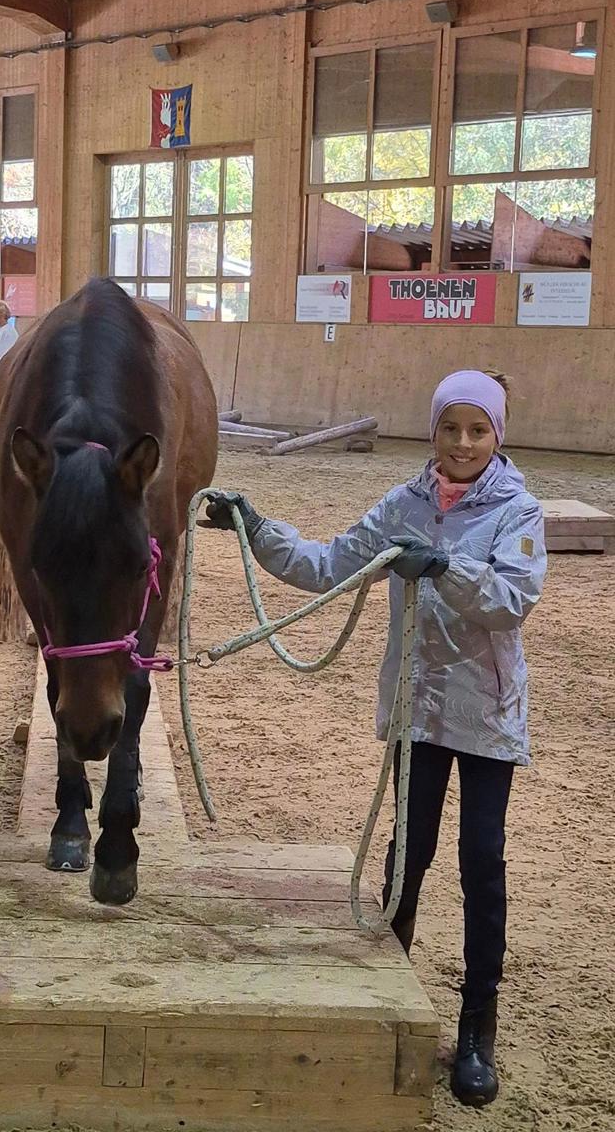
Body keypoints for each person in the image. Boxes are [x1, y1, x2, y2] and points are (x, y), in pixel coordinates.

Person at [205, 370, 546, 1108]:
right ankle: (389, 991)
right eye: (450, 428)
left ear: (497, 435)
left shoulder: (518, 511)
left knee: (481, 858)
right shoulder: (403, 505)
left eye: (477, 430)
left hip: (485, 716)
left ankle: (477, 1023)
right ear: (433, 431)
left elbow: (512, 599)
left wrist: (445, 567)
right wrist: (256, 528)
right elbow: (330, 563)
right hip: (417, 711)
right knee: (408, 850)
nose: (462, 443)